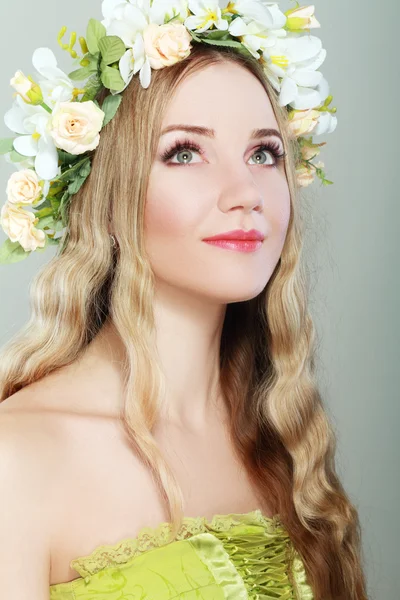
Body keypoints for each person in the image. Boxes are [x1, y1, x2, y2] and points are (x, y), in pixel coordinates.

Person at [0, 3, 368, 599]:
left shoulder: (284, 437)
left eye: (263, 153)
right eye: (185, 153)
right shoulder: (16, 459)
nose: (245, 192)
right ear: (109, 195)